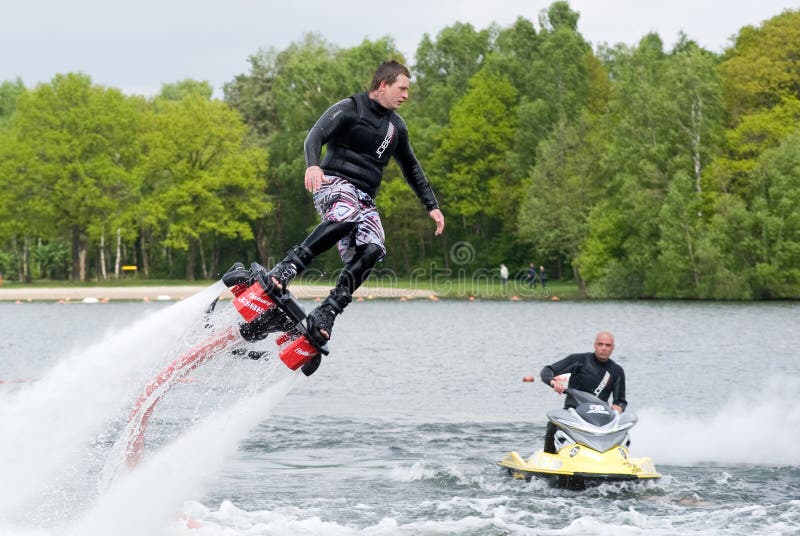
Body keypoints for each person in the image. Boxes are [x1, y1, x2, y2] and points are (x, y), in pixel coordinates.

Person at [266, 60, 445, 344]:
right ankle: (287, 267)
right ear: (383, 85)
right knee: (347, 213)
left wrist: (431, 205)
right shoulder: (352, 108)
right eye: (402, 88)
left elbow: (412, 168)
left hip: (364, 199)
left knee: (374, 248)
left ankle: (329, 311)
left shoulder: (396, 127)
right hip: (333, 184)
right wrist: (313, 165)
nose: (406, 95)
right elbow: (315, 134)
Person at [539, 331, 627, 454]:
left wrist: (618, 408)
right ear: (594, 345)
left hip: (600, 418)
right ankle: (548, 457)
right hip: (573, 413)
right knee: (552, 425)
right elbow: (547, 370)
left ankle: (622, 458)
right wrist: (553, 381)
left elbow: (620, 401)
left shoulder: (617, 371)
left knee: (624, 431)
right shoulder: (578, 360)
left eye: (607, 345)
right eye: (600, 344)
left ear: (613, 348)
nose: (603, 348)